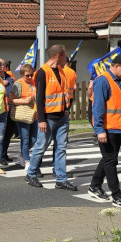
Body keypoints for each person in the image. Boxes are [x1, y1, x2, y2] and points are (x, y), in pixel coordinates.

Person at [25, 44, 75, 190]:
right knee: (41, 146)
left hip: (61, 116)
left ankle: (61, 179)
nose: (66, 58)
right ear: (58, 55)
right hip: (48, 118)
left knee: (61, 148)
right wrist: (41, 120)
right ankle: (31, 174)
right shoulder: (42, 72)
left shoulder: (61, 71)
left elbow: (64, 93)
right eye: (65, 55)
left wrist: (66, 110)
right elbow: (39, 98)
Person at [88, 53, 121, 208]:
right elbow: (98, 107)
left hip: (117, 127)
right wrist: (99, 130)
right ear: (116, 66)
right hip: (108, 128)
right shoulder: (103, 80)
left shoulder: (120, 80)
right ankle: (116, 194)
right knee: (111, 161)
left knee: (109, 158)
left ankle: (95, 185)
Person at [9, 63, 38, 170]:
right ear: (22, 74)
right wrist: (24, 101)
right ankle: (27, 160)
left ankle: (22, 154)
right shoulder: (18, 84)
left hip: (34, 114)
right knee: (25, 139)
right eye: (27, 75)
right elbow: (11, 100)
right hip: (22, 114)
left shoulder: (34, 83)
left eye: (31, 75)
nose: (30, 77)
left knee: (34, 139)